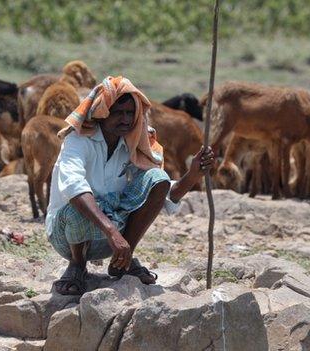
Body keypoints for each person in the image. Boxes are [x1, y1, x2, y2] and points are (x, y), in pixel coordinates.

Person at [46, 76, 215, 295]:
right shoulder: (78, 140)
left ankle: (122, 262)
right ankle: (77, 266)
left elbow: (161, 191)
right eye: (118, 113)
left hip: (111, 236)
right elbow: (73, 186)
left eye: (129, 113)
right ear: (102, 112)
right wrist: (112, 232)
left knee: (157, 178)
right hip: (68, 235)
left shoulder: (131, 143)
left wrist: (192, 176)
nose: (125, 119)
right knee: (79, 205)